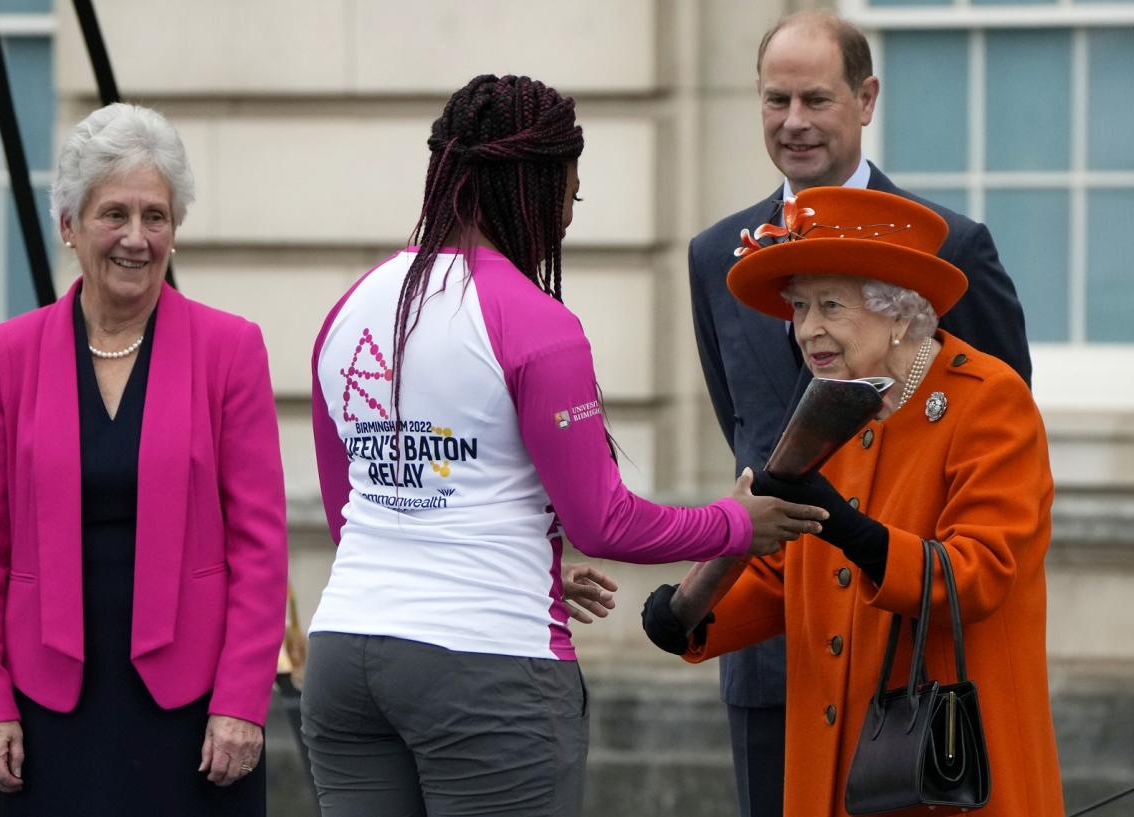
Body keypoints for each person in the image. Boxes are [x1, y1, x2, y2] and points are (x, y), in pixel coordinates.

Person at [301, 73, 828, 817]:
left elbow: (354, 511)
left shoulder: (351, 308)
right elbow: (604, 521)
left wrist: (529, 551)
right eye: (570, 196)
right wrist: (740, 522)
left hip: (344, 654)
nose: (566, 221)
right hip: (485, 667)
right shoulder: (534, 321)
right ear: (535, 185)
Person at [687, 11, 1033, 815]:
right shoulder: (716, 254)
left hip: (913, 654)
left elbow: (994, 438)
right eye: (776, 100)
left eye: (816, 98)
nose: (795, 122)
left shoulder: (949, 247)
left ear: (867, 97)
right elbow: (748, 430)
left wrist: (874, 544)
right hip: (775, 640)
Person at [645, 185, 1064, 816]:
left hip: (948, 770)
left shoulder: (987, 399)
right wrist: (690, 609)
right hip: (835, 769)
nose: (807, 329)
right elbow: (791, 574)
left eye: (830, 306)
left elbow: (981, 572)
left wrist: (850, 530)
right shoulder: (832, 406)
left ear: (899, 313)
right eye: (799, 307)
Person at [0, 103, 288, 816]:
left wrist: (241, 701)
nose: (137, 238)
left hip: (196, 712)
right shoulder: (7, 356)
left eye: (155, 215)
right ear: (69, 224)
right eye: (114, 214)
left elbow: (261, 546)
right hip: (45, 706)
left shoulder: (230, 350)